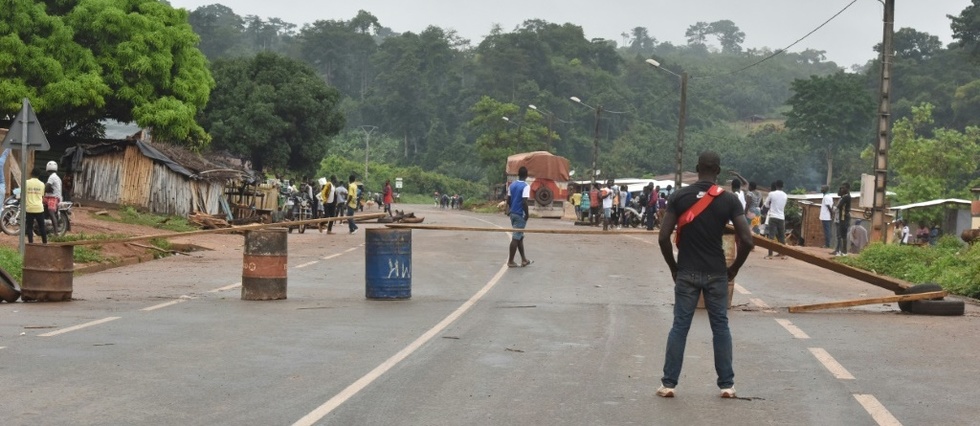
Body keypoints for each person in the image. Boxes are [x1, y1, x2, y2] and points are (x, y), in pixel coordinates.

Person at [657, 151, 753, 399]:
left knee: (680, 326)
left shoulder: (679, 196)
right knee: (720, 326)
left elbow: (663, 237)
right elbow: (747, 240)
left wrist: (673, 268)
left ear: (697, 167)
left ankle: (669, 384)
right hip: (716, 273)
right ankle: (727, 385)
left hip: (686, 271)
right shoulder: (730, 200)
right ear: (718, 171)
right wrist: (733, 270)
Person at [506, 166, 532, 268]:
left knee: (519, 236)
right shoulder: (525, 186)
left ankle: (524, 260)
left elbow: (508, 199)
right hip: (520, 214)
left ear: (518, 174)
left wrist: (509, 210)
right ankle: (510, 261)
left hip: (512, 213)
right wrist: (527, 214)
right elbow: (524, 201)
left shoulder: (512, 185)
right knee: (516, 237)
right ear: (526, 175)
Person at [764, 180, 788, 258]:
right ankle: (782, 253)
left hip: (773, 216)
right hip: (781, 217)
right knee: (781, 236)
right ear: (782, 186)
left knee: (771, 236)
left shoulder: (771, 194)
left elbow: (766, 204)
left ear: (776, 185)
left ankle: (770, 254)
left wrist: (770, 207)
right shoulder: (785, 195)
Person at [25, 167, 47, 244]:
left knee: (29, 227)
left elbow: (23, 194)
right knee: (42, 227)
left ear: (31, 173)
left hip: (29, 208)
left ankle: (31, 243)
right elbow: (42, 196)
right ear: (39, 175)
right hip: (39, 208)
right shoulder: (42, 184)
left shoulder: (26, 182)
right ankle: (45, 243)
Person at [833, 183, 851, 256]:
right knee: (842, 235)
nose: (842, 190)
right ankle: (842, 251)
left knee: (843, 235)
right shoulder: (845, 197)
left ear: (847, 189)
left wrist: (834, 207)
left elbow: (839, 206)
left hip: (844, 218)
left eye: (843, 188)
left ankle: (843, 251)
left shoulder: (846, 197)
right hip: (842, 218)